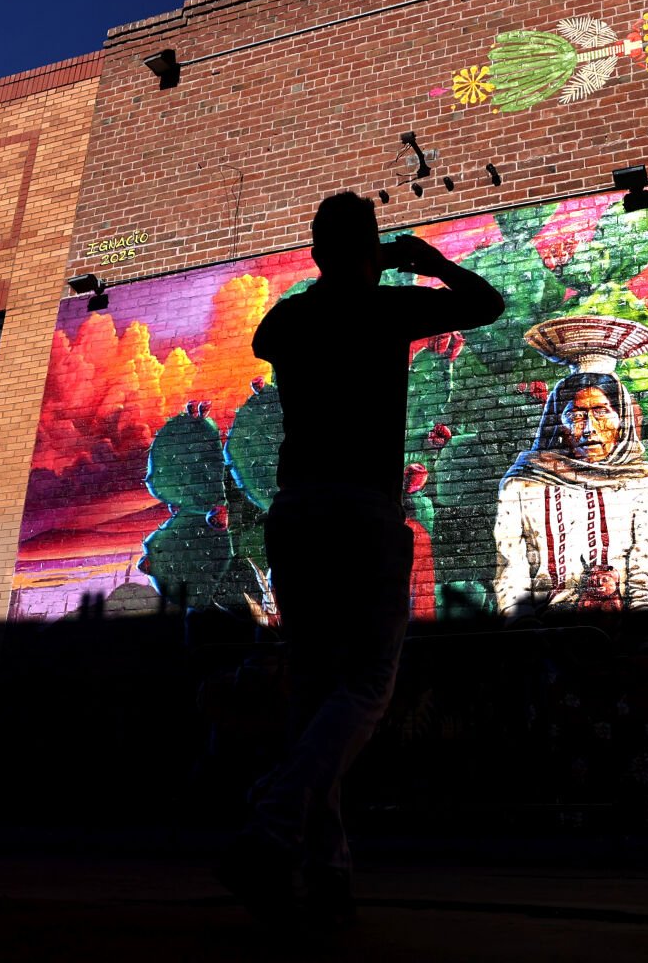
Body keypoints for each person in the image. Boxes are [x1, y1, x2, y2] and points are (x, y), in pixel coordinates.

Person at [217, 191, 503, 927]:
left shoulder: (289, 320)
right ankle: (275, 821)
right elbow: (485, 303)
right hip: (362, 509)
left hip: (296, 512)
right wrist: (424, 261)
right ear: (372, 248)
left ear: (315, 251)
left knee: (315, 695)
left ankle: (324, 870)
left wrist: (359, 268)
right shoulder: (388, 310)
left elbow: (265, 340)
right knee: (368, 682)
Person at [493, 315, 648, 615]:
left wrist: (647, 642)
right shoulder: (523, 484)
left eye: (601, 411)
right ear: (558, 422)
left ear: (623, 421)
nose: (590, 428)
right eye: (577, 415)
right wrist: (522, 636)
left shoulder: (641, 484)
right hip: (542, 637)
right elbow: (510, 572)